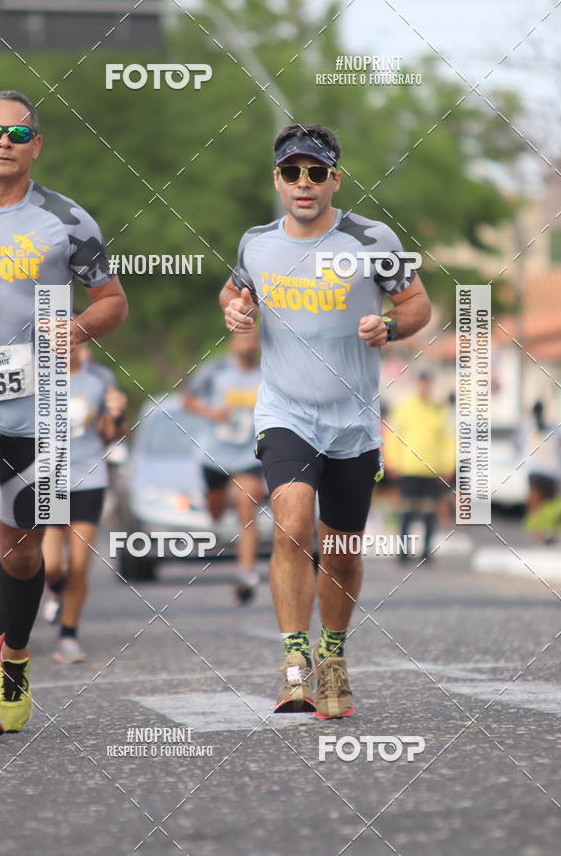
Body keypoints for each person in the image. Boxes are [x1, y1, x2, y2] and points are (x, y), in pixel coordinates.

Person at [219, 123, 431, 718]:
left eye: (316, 172)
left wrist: (389, 326)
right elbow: (235, 293)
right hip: (286, 410)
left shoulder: (372, 238)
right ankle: (294, 661)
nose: (304, 183)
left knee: (339, 547)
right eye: (292, 172)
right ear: (278, 180)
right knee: (290, 523)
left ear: (335, 179)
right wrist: (237, 311)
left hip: (352, 420)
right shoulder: (256, 243)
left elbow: (417, 304)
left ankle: (332, 655)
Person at [0, 90, 127, 740]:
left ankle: (17, 659)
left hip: (45, 408)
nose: (4, 141)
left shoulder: (67, 221)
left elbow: (113, 300)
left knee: (25, 555)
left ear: (36, 146)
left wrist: (81, 329)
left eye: (18, 132)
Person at [42, 339, 127, 662]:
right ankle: (55, 589)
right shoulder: (39, 377)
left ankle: (68, 636)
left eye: (72, 334)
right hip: (47, 481)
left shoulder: (99, 380)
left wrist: (116, 416)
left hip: (89, 479)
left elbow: (111, 434)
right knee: (52, 566)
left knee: (79, 565)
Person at [183, 329, 265, 604]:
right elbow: (188, 400)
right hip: (214, 455)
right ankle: (224, 501)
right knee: (216, 513)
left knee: (247, 508)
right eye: (242, 338)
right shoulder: (215, 370)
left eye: (252, 338)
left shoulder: (267, 372)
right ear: (232, 341)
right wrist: (211, 412)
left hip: (248, 456)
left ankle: (246, 573)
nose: (247, 343)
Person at [384, 371, 455, 563]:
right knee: (407, 511)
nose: (424, 388)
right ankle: (403, 552)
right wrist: (392, 461)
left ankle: (426, 551)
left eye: (427, 384)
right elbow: (393, 436)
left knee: (429, 512)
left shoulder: (439, 410)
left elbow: (448, 439)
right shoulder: (405, 408)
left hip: (431, 468)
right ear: (417, 385)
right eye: (421, 383)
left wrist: (448, 465)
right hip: (409, 468)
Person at [523, 400, 561, 544]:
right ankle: (544, 535)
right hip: (551, 473)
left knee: (537, 505)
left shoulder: (528, 427)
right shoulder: (551, 428)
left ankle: (539, 536)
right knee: (547, 505)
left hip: (538, 471)